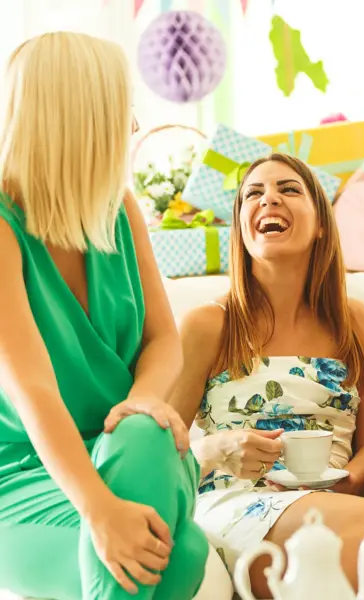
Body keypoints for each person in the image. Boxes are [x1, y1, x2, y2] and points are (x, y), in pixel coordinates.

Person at [0, 32, 208, 599]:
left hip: (133, 453)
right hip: (24, 477)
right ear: (80, 121)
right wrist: (98, 509)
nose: (133, 127)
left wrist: (142, 400)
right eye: (122, 112)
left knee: (141, 431)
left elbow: (163, 339)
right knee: (183, 557)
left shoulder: (119, 209)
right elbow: (33, 391)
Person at [169, 153, 364, 598]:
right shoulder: (209, 324)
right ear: (240, 226)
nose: (269, 199)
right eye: (253, 194)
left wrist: (352, 475)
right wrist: (217, 448)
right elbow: (161, 451)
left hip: (334, 505)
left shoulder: (353, 322)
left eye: (288, 189)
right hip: (237, 502)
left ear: (321, 224)